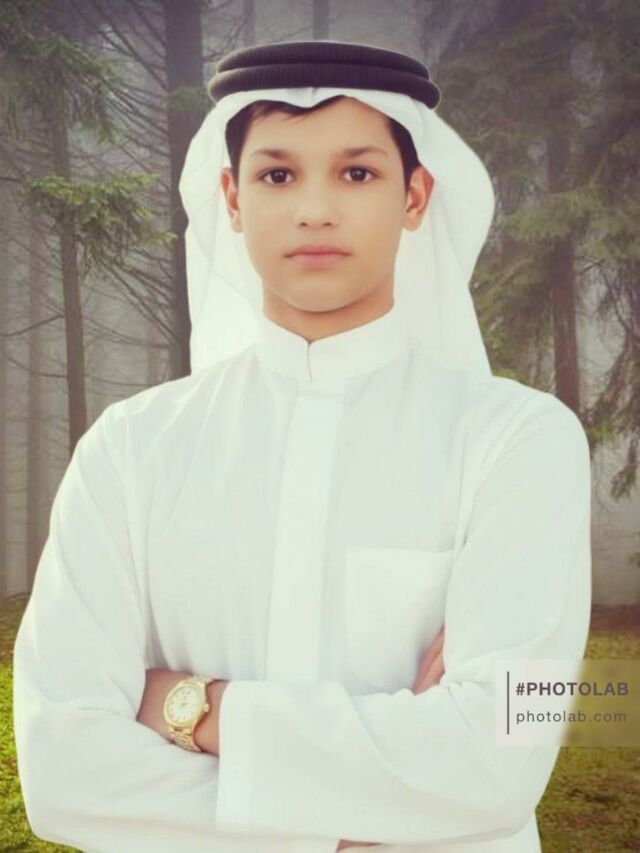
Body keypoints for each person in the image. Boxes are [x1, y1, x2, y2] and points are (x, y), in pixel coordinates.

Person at [12, 39, 592, 853]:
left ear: (415, 195)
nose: (315, 209)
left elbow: (500, 759)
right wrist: (361, 821)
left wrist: (192, 705)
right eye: (278, 175)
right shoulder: (130, 451)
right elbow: (63, 772)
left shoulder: (519, 442)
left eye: (356, 172)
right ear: (232, 197)